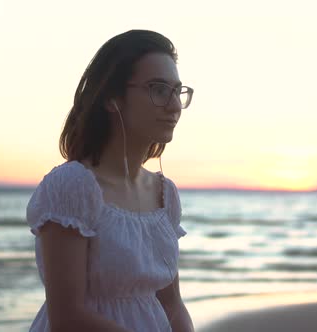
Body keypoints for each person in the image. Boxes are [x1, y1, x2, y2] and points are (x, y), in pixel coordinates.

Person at [25, 30, 194, 332]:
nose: (174, 106)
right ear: (111, 99)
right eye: (158, 89)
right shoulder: (73, 186)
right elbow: (68, 318)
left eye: (177, 91)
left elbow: (171, 304)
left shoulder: (164, 194)